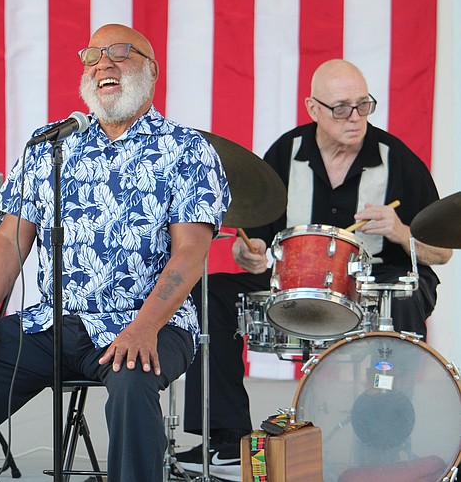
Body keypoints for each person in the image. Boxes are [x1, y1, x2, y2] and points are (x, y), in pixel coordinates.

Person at [0, 23, 231, 482]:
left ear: (152, 70)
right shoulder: (52, 145)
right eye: (93, 56)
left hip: (151, 322)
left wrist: (144, 327)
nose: (103, 63)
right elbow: (8, 238)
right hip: (54, 322)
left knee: (133, 382)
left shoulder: (187, 150)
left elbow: (190, 254)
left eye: (120, 53)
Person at [176, 59, 453, 481]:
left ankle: (385, 441)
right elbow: (255, 240)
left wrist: (400, 232)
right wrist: (248, 253)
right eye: (341, 108)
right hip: (296, 278)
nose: (355, 117)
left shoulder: (398, 160)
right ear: (313, 108)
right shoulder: (285, 154)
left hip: (375, 280)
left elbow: (442, 253)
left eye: (363, 105)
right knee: (211, 295)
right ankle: (226, 440)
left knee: (406, 298)